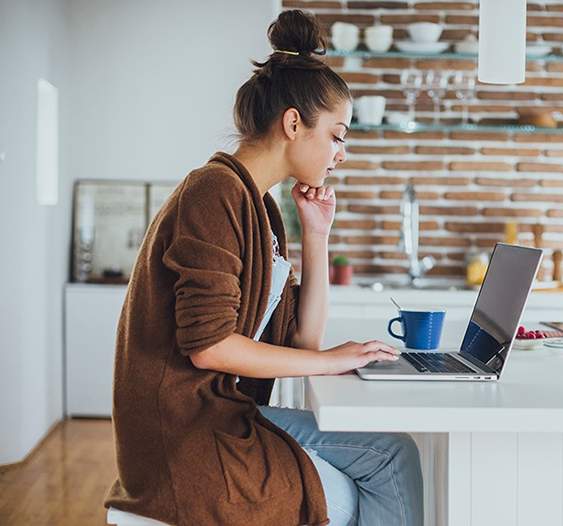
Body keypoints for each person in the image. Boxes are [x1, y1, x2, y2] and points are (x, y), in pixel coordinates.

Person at [104, 10, 423, 526]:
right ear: (293, 124)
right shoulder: (213, 192)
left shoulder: (261, 207)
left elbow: (303, 342)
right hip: (187, 437)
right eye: (338, 135)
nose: (342, 153)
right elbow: (208, 346)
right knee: (378, 473)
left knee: (395, 453)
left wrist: (316, 234)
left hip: (225, 416)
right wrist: (336, 360)